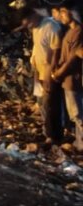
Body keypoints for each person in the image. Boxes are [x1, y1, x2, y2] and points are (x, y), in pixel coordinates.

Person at [25, 8, 62, 145]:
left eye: (28, 23)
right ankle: (47, 132)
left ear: (33, 15)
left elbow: (54, 54)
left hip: (49, 74)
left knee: (51, 105)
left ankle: (54, 136)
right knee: (43, 105)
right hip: (40, 72)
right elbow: (37, 51)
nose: (28, 27)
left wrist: (48, 76)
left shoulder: (51, 27)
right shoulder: (36, 28)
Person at [50, 5, 83, 151]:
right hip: (68, 78)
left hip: (73, 79)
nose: (61, 15)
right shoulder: (70, 31)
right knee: (75, 113)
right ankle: (78, 142)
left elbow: (73, 58)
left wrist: (58, 73)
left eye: (64, 12)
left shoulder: (79, 32)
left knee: (77, 114)